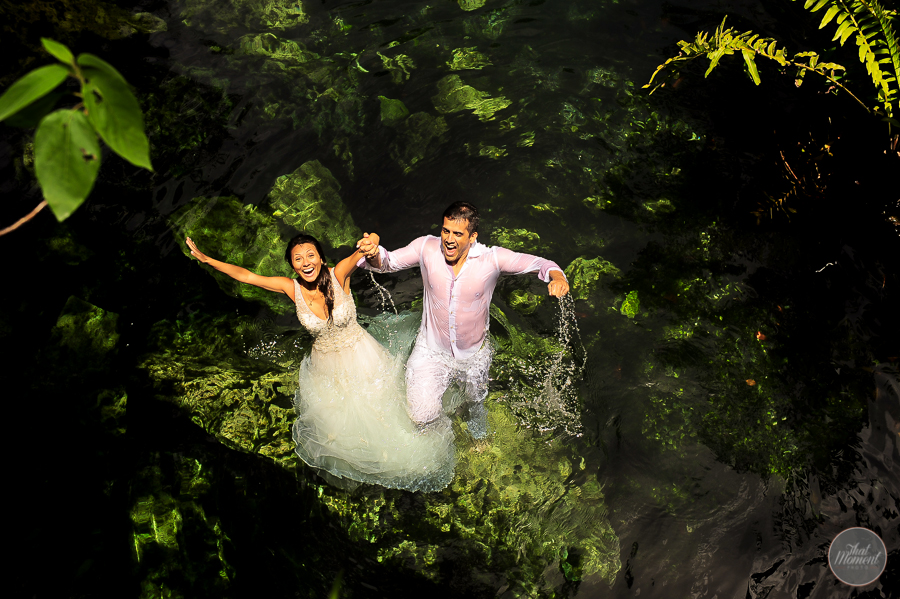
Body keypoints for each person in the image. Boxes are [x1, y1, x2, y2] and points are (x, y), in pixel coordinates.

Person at [185, 234, 455, 492]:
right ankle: (363, 473)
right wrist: (208, 260)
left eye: (310, 256)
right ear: (292, 265)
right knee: (339, 430)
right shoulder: (291, 288)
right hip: (325, 365)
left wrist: (370, 242)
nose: (306, 263)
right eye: (298, 259)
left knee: (386, 411)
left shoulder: (339, 274)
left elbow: (363, 250)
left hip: (361, 354)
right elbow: (247, 276)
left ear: (321, 259)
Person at [355, 201, 570, 439]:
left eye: (458, 234)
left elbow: (540, 263)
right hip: (431, 352)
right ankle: (445, 441)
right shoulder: (426, 248)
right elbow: (386, 262)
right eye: (446, 231)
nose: (449, 239)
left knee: (475, 403)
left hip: (473, 356)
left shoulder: (492, 259)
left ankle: (478, 435)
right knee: (420, 417)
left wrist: (557, 277)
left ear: (472, 236)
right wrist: (374, 253)